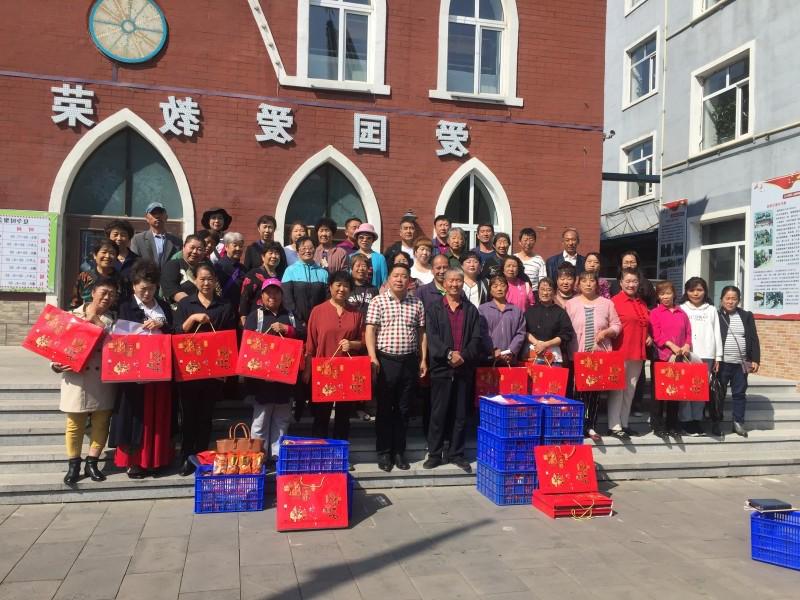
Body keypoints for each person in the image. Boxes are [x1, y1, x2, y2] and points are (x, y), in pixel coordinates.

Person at [109, 261, 174, 478]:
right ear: (134, 286)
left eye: (151, 288)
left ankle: (156, 459)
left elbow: (174, 332)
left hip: (159, 371)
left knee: (157, 417)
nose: (147, 293)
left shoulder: (163, 306)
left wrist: (162, 325)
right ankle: (134, 462)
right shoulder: (126, 306)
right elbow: (119, 337)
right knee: (135, 417)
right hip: (134, 373)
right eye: (143, 288)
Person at [53, 277, 118, 485]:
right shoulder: (71, 316)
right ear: (93, 292)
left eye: (111, 294)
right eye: (103, 292)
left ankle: (92, 462)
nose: (107, 297)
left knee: (101, 422)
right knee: (74, 423)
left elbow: (119, 348)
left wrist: (98, 323)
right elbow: (56, 345)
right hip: (76, 378)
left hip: (101, 378)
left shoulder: (114, 321)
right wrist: (55, 364)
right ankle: (73, 464)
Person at [174, 263, 237, 475]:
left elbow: (230, 339)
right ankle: (186, 456)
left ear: (215, 281)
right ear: (195, 280)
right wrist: (193, 318)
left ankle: (201, 456)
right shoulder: (186, 304)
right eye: (202, 279)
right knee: (188, 415)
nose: (206, 283)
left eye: (210, 279)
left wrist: (226, 370)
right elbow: (176, 333)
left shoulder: (225, 306)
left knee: (206, 415)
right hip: (189, 370)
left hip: (213, 371)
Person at [365, 263, 427, 472]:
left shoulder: (417, 303)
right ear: (388, 279)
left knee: (403, 409)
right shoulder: (378, 301)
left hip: (409, 362)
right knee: (384, 408)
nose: (400, 279)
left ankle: (399, 451)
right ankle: (384, 452)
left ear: (409, 280)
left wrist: (423, 359)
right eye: (396, 275)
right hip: (386, 361)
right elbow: (370, 331)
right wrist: (373, 357)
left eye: (404, 276)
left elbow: (422, 333)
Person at [424, 268, 483, 472]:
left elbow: (476, 338)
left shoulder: (471, 310)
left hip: (463, 369)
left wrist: (463, 356)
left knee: (460, 415)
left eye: (458, 280)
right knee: (438, 414)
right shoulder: (434, 309)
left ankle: (456, 453)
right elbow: (432, 337)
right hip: (441, 369)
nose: (454, 284)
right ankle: (435, 454)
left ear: (462, 283)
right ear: (444, 283)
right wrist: (448, 354)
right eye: (451, 280)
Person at [243, 278, 304, 465]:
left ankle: (277, 456)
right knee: (260, 419)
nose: (272, 296)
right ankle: (258, 457)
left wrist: (287, 329)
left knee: (282, 418)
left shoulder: (290, 315)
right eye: (268, 292)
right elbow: (247, 342)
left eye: (276, 292)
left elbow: (303, 334)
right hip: (262, 380)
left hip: (285, 377)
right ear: (262, 296)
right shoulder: (255, 316)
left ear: (281, 295)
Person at [304, 271, 365, 453]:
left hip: (347, 372)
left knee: (343, 417)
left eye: (346, 285)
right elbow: (310, 344)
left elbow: (363, 342)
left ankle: (340, 456)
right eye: (338, 284)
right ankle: (318, 456)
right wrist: (308, 370)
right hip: (324, 371)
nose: (341, 289)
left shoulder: (356, 313)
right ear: (330, 287)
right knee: (321, 416)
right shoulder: (318, 311)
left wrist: (351, 344)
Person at [565, 271, 621, 442]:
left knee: (594, 394)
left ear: (597, 284)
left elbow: (617, 325)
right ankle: (577, 425)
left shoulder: (607, 303)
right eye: (584, 281)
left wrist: (606, 332)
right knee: (577, 392)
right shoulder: (570, 304)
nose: (588, 284)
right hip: (577, 355)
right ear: (578, 284)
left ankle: (591, 426)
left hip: (598, 357)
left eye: (591, 281)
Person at [609, 268, 651, 440]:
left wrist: (648, 335)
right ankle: (614, 425)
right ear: (621, 283)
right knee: (618, 390)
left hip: (638, 352)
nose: (631, 284)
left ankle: (624, 423)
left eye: (634, 281)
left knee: (630, 390)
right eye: (627, 281)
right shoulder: (614, 302)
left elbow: (645, 323)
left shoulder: (641, 302)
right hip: (620, 350)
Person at [649, 280, 692, 438]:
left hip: (678, 358)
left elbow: (688, 333)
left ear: (674, 294)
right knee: (659, 393)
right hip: (662, 357)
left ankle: (672, 424)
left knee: (675, 393)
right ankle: (657, 425)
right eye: (661, 294)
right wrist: (671, 345)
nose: (665, 297)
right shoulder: (655, 313)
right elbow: (656, 334)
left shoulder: (682, 313)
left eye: (668, 293)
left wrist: (687, 345)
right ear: (658, 296)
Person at [680, 277, 723, 436]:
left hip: (707, 355)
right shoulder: (681, 309)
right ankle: (686, 421)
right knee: (686, 388)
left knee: (700, 390)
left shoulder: (711, 310)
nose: (696, 293)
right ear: (686, 292)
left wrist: (718, 356)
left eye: (699, 290)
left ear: (705, 291)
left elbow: (717, 332)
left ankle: (697, 420)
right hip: (687, 354)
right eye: (692, 290)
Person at [718, 285, 761, 437]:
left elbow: (753, 338)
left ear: (739, 301)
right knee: (718, 393)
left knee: (740, 393)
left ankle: (738, 422)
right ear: (722, 299)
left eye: (734, 299)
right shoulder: (716, 315)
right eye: (727, 298)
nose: (730, 301)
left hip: (743, 362)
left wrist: (755, 359)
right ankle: (716, 422)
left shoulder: (747, 315)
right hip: (722, 362)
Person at [524, 277, 574, 370]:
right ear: (538, 291)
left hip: (554, 358)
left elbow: (566, 334)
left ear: (554, 292)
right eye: (542, 289)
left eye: (549, 290)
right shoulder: (530, 311)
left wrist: (546, 345)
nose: (545, 293)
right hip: (533, 356)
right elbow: (524, 331)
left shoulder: (560, 312)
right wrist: (537, 343)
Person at [281, 236, 329, 327]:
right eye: (303, 248)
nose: (307, 251)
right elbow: (287, 299)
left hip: (318, 322)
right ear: (297, 251)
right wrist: (299, 320)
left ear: (315, 250)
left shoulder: (323, 273)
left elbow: (327, 299)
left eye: (310, 248)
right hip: (296, 323)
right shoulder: (290, 271)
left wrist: (320, 318)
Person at [479, 274, 527, 364]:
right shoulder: (483, 309)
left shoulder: (516, 310)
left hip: (509, 359)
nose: (499, 289)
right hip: (489, 359)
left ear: (507, 288)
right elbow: (482, 332)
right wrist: (492, 349)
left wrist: (511, 351)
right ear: (490, 290)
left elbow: (520, 333)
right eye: (495, 286)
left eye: (502, 285)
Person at [239, 241, 283, 326]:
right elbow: (245, 297)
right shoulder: (253, 274)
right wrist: (243, 316)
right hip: (256, 319)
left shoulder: (281, 276)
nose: (274, 256)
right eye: (270, 253)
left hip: (276, 320)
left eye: (277, 253)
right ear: (263, 257)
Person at [70, 239, 122, 309]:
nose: (107, 256)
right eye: (104, 252)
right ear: (95, 255)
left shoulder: (121, 279)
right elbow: (75, 303)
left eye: (112, 253)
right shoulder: (85, 276)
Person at [129, 202, 181, 268]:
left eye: (161, 213)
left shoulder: (177, 242)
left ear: (166, 217)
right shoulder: (137, 240)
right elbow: (134, 264)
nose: (157, 216)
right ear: (147, 218)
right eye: (154, 213)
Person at [161, 234, 205, 307]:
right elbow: (172, 290)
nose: (195, 251)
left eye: (199, 249)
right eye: (192, 247)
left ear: (204, 252)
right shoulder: (173, 265)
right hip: (179, 309)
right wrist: (195, 306)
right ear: (183, 247)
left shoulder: (206, 269)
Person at [214, 231, 246, 309]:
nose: (238, 249)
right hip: (223, 308)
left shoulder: (243, 268)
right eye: (235, 246)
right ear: (226, 247)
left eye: (241, 246)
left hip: (238, 308)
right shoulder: (219, 266)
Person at [351, 223, 388, 287]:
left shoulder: (380, 258)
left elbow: (384, 281)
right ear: (357, 239)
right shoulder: (350, 257)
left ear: (373, 240)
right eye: (361, 237)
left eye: (369, 238)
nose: (365, 240)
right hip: (354, 292)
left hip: (374, 292)